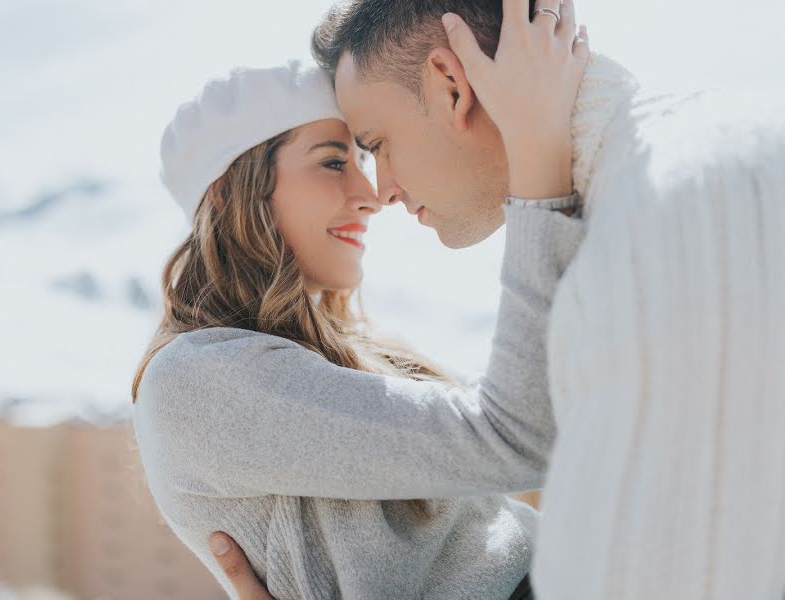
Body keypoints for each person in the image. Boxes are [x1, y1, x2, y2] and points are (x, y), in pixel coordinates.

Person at [211, 0, 785, 598]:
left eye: (376, 144)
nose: (383, 191)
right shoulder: (664, 181)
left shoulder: (671, 218)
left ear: (451, 86)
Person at [131, 10, 588, 598]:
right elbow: (515, 432)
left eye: (366, 156)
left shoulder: (321, 354)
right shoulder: (192, 381)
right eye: (332, 161)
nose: (372, 194)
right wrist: (537, 156)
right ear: (228, 192)